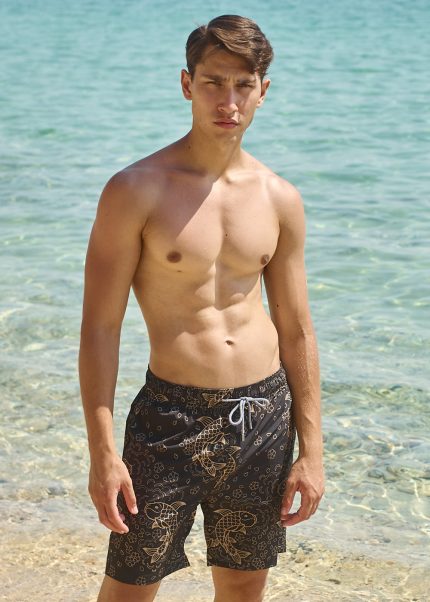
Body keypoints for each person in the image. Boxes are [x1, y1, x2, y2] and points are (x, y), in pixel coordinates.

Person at [79, 14, 324, 602]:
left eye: (243, 85)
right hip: (170, 416)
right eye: (214, 82)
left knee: (243, 588)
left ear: (263, 91)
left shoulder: (280, 198)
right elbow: (100, 327)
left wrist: (313, 451)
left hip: (263, 414)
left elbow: (296, 330)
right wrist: (103, 452)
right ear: (187, 83)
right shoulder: (135, 189)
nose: (228, 101)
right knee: (131, 588)